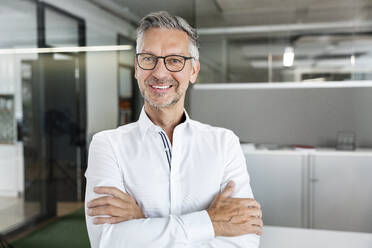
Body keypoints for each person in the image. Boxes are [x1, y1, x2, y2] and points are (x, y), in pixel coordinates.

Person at [85, 11, 263, 248]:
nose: (159, 72)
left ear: (193, 71)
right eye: (148, 58)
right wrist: (212, 222)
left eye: (175, 60)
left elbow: (245, 239)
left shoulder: (224, 143)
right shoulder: (107, 145)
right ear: (137, 68)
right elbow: (107, 241)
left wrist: (142, 223)